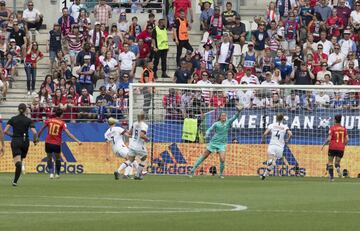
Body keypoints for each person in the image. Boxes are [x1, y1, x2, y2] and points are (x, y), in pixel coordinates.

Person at [189, 103, 243, 178]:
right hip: (213, 142)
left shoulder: (228, 122)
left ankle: (220, 174)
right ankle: (192, 170)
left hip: (222, 144)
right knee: (204, 156)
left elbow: (235, 117)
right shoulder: (216, 124)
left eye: (225, 115)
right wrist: (207, 133)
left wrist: (239, 111)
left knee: (222, 159)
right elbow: (210, 129)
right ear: (220, 117)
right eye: (222, 115)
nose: (224, 117)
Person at [38, 108, 82, 179]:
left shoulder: (49, 120)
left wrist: (38, 137)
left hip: (48, 142)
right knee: (58, 159)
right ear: (61, 115)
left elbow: (41, 129)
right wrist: (77, 141)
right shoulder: (62, 123)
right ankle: (57, 174)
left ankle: (51, 173)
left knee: (49, 158)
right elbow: (68, 133)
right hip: (56, 143)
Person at [3, 103, 38, 186]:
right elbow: (35, 132)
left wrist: (12, 135)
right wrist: (35, 140)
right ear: (26, 110)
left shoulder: (13, 119)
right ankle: (16, 178)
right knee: (21, 159)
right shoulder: (28, 120)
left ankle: (18, 173)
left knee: (17, 162)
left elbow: (5, 131)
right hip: (25, 141)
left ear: (18, 109)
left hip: (16, 141)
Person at [260, 114, 292, 180]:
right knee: (273, 163)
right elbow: (290, 134)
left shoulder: (271, 125)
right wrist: (287, 140)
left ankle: (269, 161)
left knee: (272, 162)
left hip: (272, 146)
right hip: (280, 147)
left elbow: (265, 134)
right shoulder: (285, 126)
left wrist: (263, 140)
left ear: (276, 118)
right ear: (282, 119)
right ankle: (264, 176)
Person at [322, 115, 349, 182]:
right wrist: (344, 144)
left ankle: (331, 177)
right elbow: (347, 139)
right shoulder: (344, 129)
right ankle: (338, 167)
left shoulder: (332, 128)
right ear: (340, 120)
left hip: (332, 146)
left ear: (335, 120)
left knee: (330, 162)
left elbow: (329, 138)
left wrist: (324, 144)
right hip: (341, 148)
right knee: (337, 162)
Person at [128, 113, 149, 180]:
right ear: (144, 117)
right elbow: (141, 135)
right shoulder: (144, 125)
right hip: (139, 145)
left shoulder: (134, 124)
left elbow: (129, 133)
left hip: (132, 144)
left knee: (130, 160)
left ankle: (119, 171)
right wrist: (147, 139)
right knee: (143, 159)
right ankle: (137, 175)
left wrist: (134, 136)